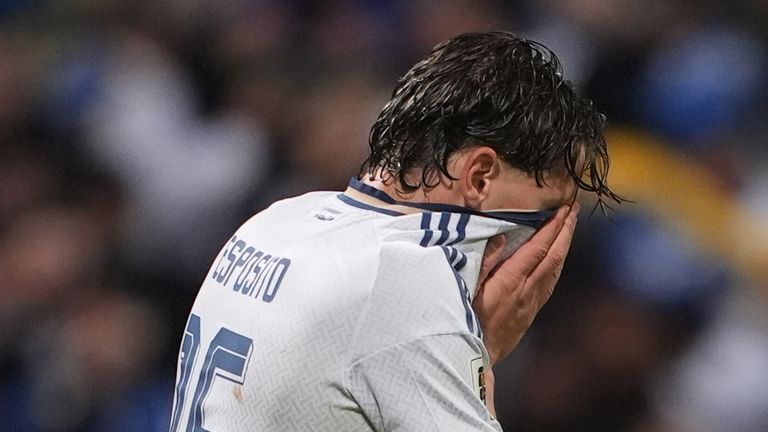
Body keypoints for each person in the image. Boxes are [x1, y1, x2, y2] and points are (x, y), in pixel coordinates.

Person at [168, 31, 619, 431]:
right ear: (479, 176)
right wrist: (480, 359)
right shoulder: (404, 277)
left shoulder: (274, 221)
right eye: (546, 216)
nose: (550, 245)